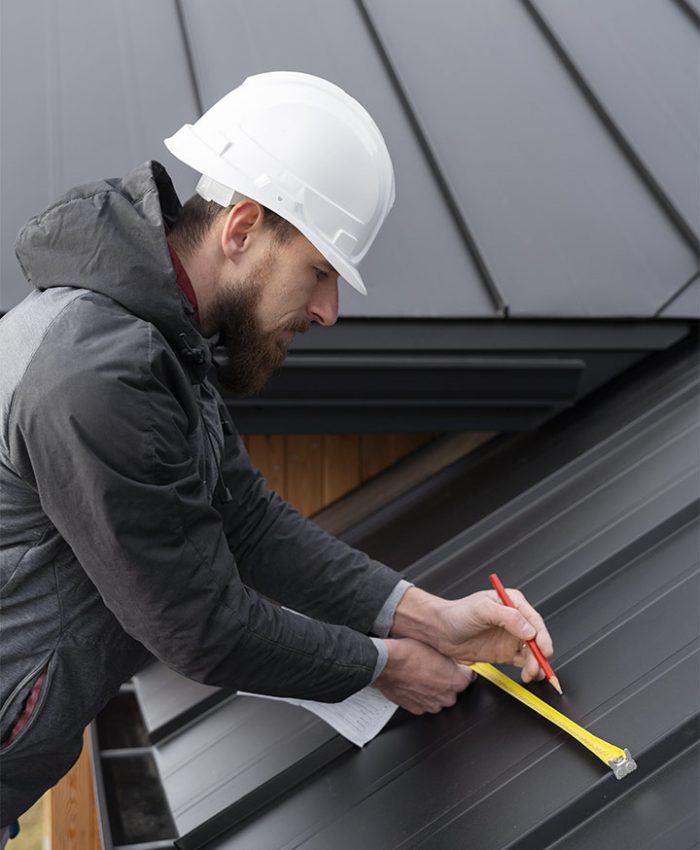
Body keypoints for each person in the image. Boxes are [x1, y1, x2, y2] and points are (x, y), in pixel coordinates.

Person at [0, 71, 553, 833]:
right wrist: (386, 668)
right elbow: (199, 626)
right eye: (320, 272)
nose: (327, 311)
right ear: (242, 229)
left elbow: (247, 522)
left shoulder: (156, 339)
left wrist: (429, 618)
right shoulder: (96, 373)